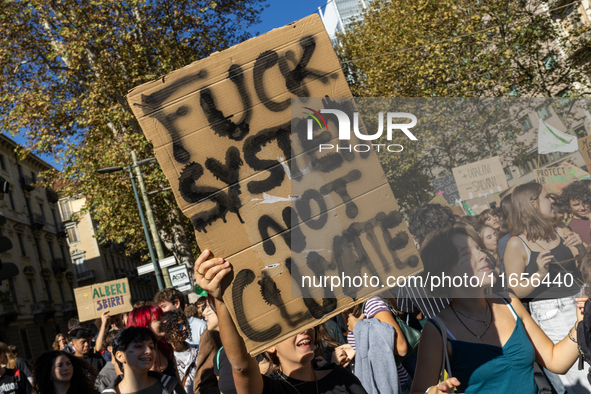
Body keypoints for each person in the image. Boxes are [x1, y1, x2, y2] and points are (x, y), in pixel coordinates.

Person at [411, 225, 587, 394]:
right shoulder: (437, 330)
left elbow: (555, 361)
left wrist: (581, 322)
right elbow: (419, 391)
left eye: (479, 248)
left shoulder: (509, 302)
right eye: (467, 254)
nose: (483, 255)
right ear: (445, 273)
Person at [193, 249, 368, 394]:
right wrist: (221, 299)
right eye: (291, 327)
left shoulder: (343, 379)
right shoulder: (269, 390)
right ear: (270, 345)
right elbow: (241, 367)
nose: (303, 330)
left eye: (306, 322)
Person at [504, 183, 589, 393]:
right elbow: (514, 290)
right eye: (545, 197)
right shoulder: (516, 244)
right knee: (580, 378)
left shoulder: (559, 229)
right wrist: (539, 275)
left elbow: (580, 267)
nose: (552, 201)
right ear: (533, 204)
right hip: (554, 315)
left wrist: (580, 247)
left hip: (580, 301)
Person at [345, 298, 410, 394]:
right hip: (377, 385)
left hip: (394, 384)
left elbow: (401, 347)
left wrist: (358, 327)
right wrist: (354, 349)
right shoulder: (353, 309)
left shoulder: (372, 303)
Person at [102, 326, 186, 394]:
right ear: (120, 356)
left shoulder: (171, 386)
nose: (148, 351)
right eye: (139, 346)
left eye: (151, 347)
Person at [126, 305, 178, 379]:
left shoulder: (167, 348)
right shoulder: (133, 356)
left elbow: (178, 382)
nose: (164, 321)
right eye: (159, 319)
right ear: (145, 324)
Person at [162, 310, 199, 394]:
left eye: (184, 324)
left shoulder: (198, 350)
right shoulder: (165, 359)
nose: (184, 328)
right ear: (168, 329)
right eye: (178, 326)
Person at [560, 181, 591, 246]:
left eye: (585, 202)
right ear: (568, 207)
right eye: (576, 204)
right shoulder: (570, 228)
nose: (582, 207)